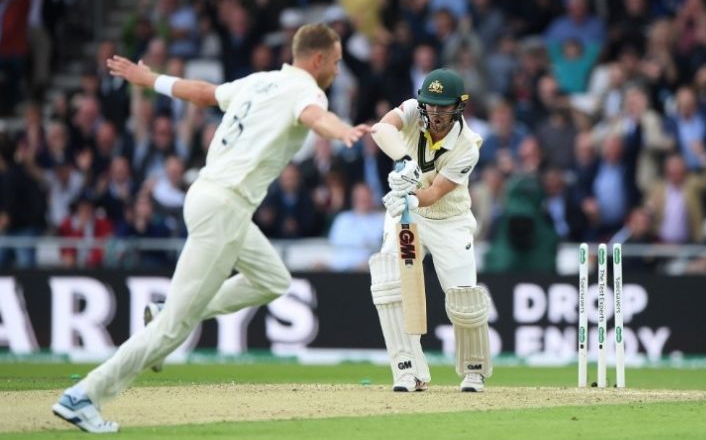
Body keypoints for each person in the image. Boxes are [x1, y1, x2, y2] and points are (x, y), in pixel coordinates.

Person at [51, 23, 369, 433]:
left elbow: (204, 93)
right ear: (319, 59)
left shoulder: (261, 81)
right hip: (226, 208)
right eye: (338, 63)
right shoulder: (309, 90)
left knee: (273, 279)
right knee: (173, 330)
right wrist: (341, 129)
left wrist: (151, 79)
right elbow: (315, 116)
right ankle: (84, 396)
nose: (338, 71)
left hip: (207, 196)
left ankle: (170, 308)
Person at [368, 68, 491, 392]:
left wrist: (408, 195)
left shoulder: (468, 146)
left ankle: (474, 370)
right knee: (388, 284)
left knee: (464, 299)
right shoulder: (411, 110)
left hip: (448, 221)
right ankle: (408, 371)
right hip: (407, 216)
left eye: (444, 106)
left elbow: (434, 193)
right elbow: (380, 129)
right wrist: (404, 160)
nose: (435, 112)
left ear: (458, 106)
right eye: (431, 104)